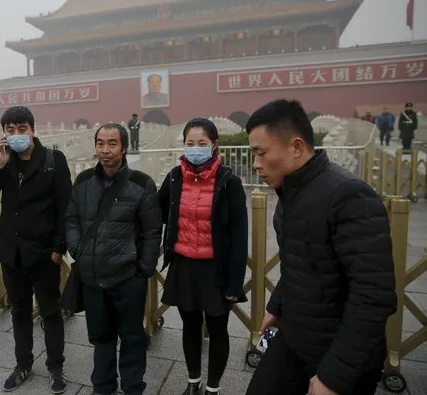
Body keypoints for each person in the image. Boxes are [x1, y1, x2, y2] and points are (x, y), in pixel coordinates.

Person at [244, 99, 396, 395]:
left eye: (261, 153)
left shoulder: (348, 195)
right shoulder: (289, 193)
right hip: (296, 335)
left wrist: (334, 377)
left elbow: (373, 296)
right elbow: (302, 261)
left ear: (296, 147)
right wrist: (277, 306)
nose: (256, 164)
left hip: (339, 352)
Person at [0, 105, 72, 393]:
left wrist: (58, 248)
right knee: (19, 312)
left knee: (51, 312)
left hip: (43, 254)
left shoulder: (54, 160)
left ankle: (56, 367)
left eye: (21, 129)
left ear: (32, 129)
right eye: (10, 130)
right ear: (3, 133)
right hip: (12, 254)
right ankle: (23, 363)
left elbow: (65, 207)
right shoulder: (5, 161)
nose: (16, 134)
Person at [65, 123, 162, 395]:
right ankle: (103, 387)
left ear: (124, 148)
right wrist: (76, 249)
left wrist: (143, 268)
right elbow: (71, 218)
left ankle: (133, 387)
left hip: (127, 277)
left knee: (132, 338)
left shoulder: (141, 184)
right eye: (100, 143)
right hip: (93, 277)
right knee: (101, 338)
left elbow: (153, 231)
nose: (105, 150)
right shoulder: (83, 181)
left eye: (112, 144)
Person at [158, 118, 248, 395]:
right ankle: (193, 381)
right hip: (184, 264)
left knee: (219, 329)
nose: (195, 149)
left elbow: (239, 235)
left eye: (202, 144)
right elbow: (156, 211)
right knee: (190, 326)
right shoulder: (174, 176)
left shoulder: (228, 181)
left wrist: (234, 284)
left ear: (214, 145)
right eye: (190, 144)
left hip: (215, 269)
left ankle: (213, 387)